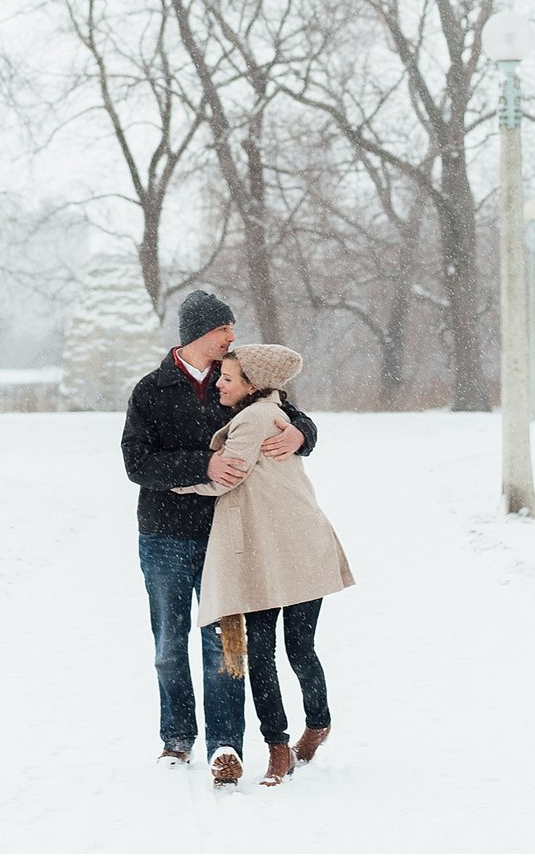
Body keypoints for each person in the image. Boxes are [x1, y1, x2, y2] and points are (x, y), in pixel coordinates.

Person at [121, 290, 317, 786]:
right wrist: (200, 464)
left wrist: (303, 435)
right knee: (169, 645)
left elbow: (288, 414)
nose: (233, 337)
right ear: (198, 335)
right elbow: (136, 464)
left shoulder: (241, 383)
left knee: (225, 646)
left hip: (226, 536)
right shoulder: (151, 390)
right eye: (224, 329)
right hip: (163, 534)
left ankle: (225, 745)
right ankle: (177, 738)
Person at [181, 343, 355, 789]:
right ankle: (280, 747)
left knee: (283, 652)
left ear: (253, 385)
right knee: (279, 652)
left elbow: (226, 476)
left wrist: (175, 484)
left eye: (229, 378)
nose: (220, 382)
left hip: (294, 547)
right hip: (266, 552)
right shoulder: (269, 409)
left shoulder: (255, 417)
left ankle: (314, 727)